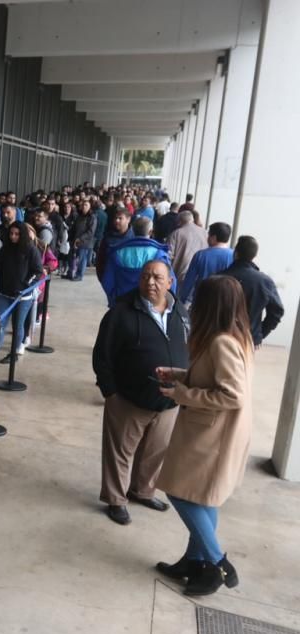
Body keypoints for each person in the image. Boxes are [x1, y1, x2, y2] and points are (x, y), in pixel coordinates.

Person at [154, 275, 254, 596]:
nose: (193, 305)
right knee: (205, 497)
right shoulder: (236, 337)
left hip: (211, 437)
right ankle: (193, 562)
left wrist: (183, 394)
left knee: (180, 492)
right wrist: (180, 375)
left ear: (212, 306)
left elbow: (232, 395)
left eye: (200, 299)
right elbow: (211, 378)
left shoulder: (221, 342)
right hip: (215, 434)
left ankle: (217, 563)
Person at [92, 261, 189, 526]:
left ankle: (143, 490)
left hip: (168, 402)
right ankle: (116, 499)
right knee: (120, 453)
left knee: (155, 452)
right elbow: (102, 355)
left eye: (157, 277)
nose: (150, 282)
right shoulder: (121, 312)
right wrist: (110, 391)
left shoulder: (180, 312)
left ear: (169, 282)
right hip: (128, 399)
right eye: (145, 276)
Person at [218, 236, 284, 348]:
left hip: (218, 337)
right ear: (254, 256)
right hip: (248, 339)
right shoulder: (264, 281)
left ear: (236, 253)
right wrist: (259, 334)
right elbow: (277, 312)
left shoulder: (218, 278)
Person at [0, 222, 42, 363]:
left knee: (17, 325)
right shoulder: (5, 249)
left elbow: (38, 271)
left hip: (23, 296)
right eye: (11, 233)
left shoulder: (31, 250)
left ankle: (13, 353)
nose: (13, 237)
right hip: (3, 293)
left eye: (17, 234)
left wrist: (26, 285)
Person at [100, 216, 175, 308]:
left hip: (122, 304)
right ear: (150, 232)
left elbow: (107, 281)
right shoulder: (160, 255)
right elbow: (171, 284)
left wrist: (114, 300)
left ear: (133, 230)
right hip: (150, 306)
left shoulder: (117, 253)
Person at [178, 222, 234, 306]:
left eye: (209, 235)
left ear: (214, 237)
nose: (207, 238)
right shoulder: (233, 256)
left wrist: (181, 301)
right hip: (224, 301)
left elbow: (189, 281)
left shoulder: (200, 255)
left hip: (201, 300)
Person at [167, 211, 209, 284]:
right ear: (192, 220)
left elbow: (168, 255)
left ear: (180, 221)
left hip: (180, 274)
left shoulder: (176, 233)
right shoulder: (205, 233)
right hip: (200, 274)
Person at [95, 207, 134, 283]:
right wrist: (103, 279)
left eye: (120, 218)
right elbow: (100, 261)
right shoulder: (108, 238)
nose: (117, 221)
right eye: (116, 218)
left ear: (128, 219)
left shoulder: (134, 239)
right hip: (110, 282)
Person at [68, 199, 97, 281]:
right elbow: (74, 228)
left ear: (90, 207)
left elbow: (90, 231)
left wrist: (80, 238)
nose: (84, 207)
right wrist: (70, 237)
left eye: (86, 205)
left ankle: (79, 275)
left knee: (82, 259)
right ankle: (70, 273)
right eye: (83, 205)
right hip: (75, 240)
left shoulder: (92, 217)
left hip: (85, 242)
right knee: (71, 257)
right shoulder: (79, 216)